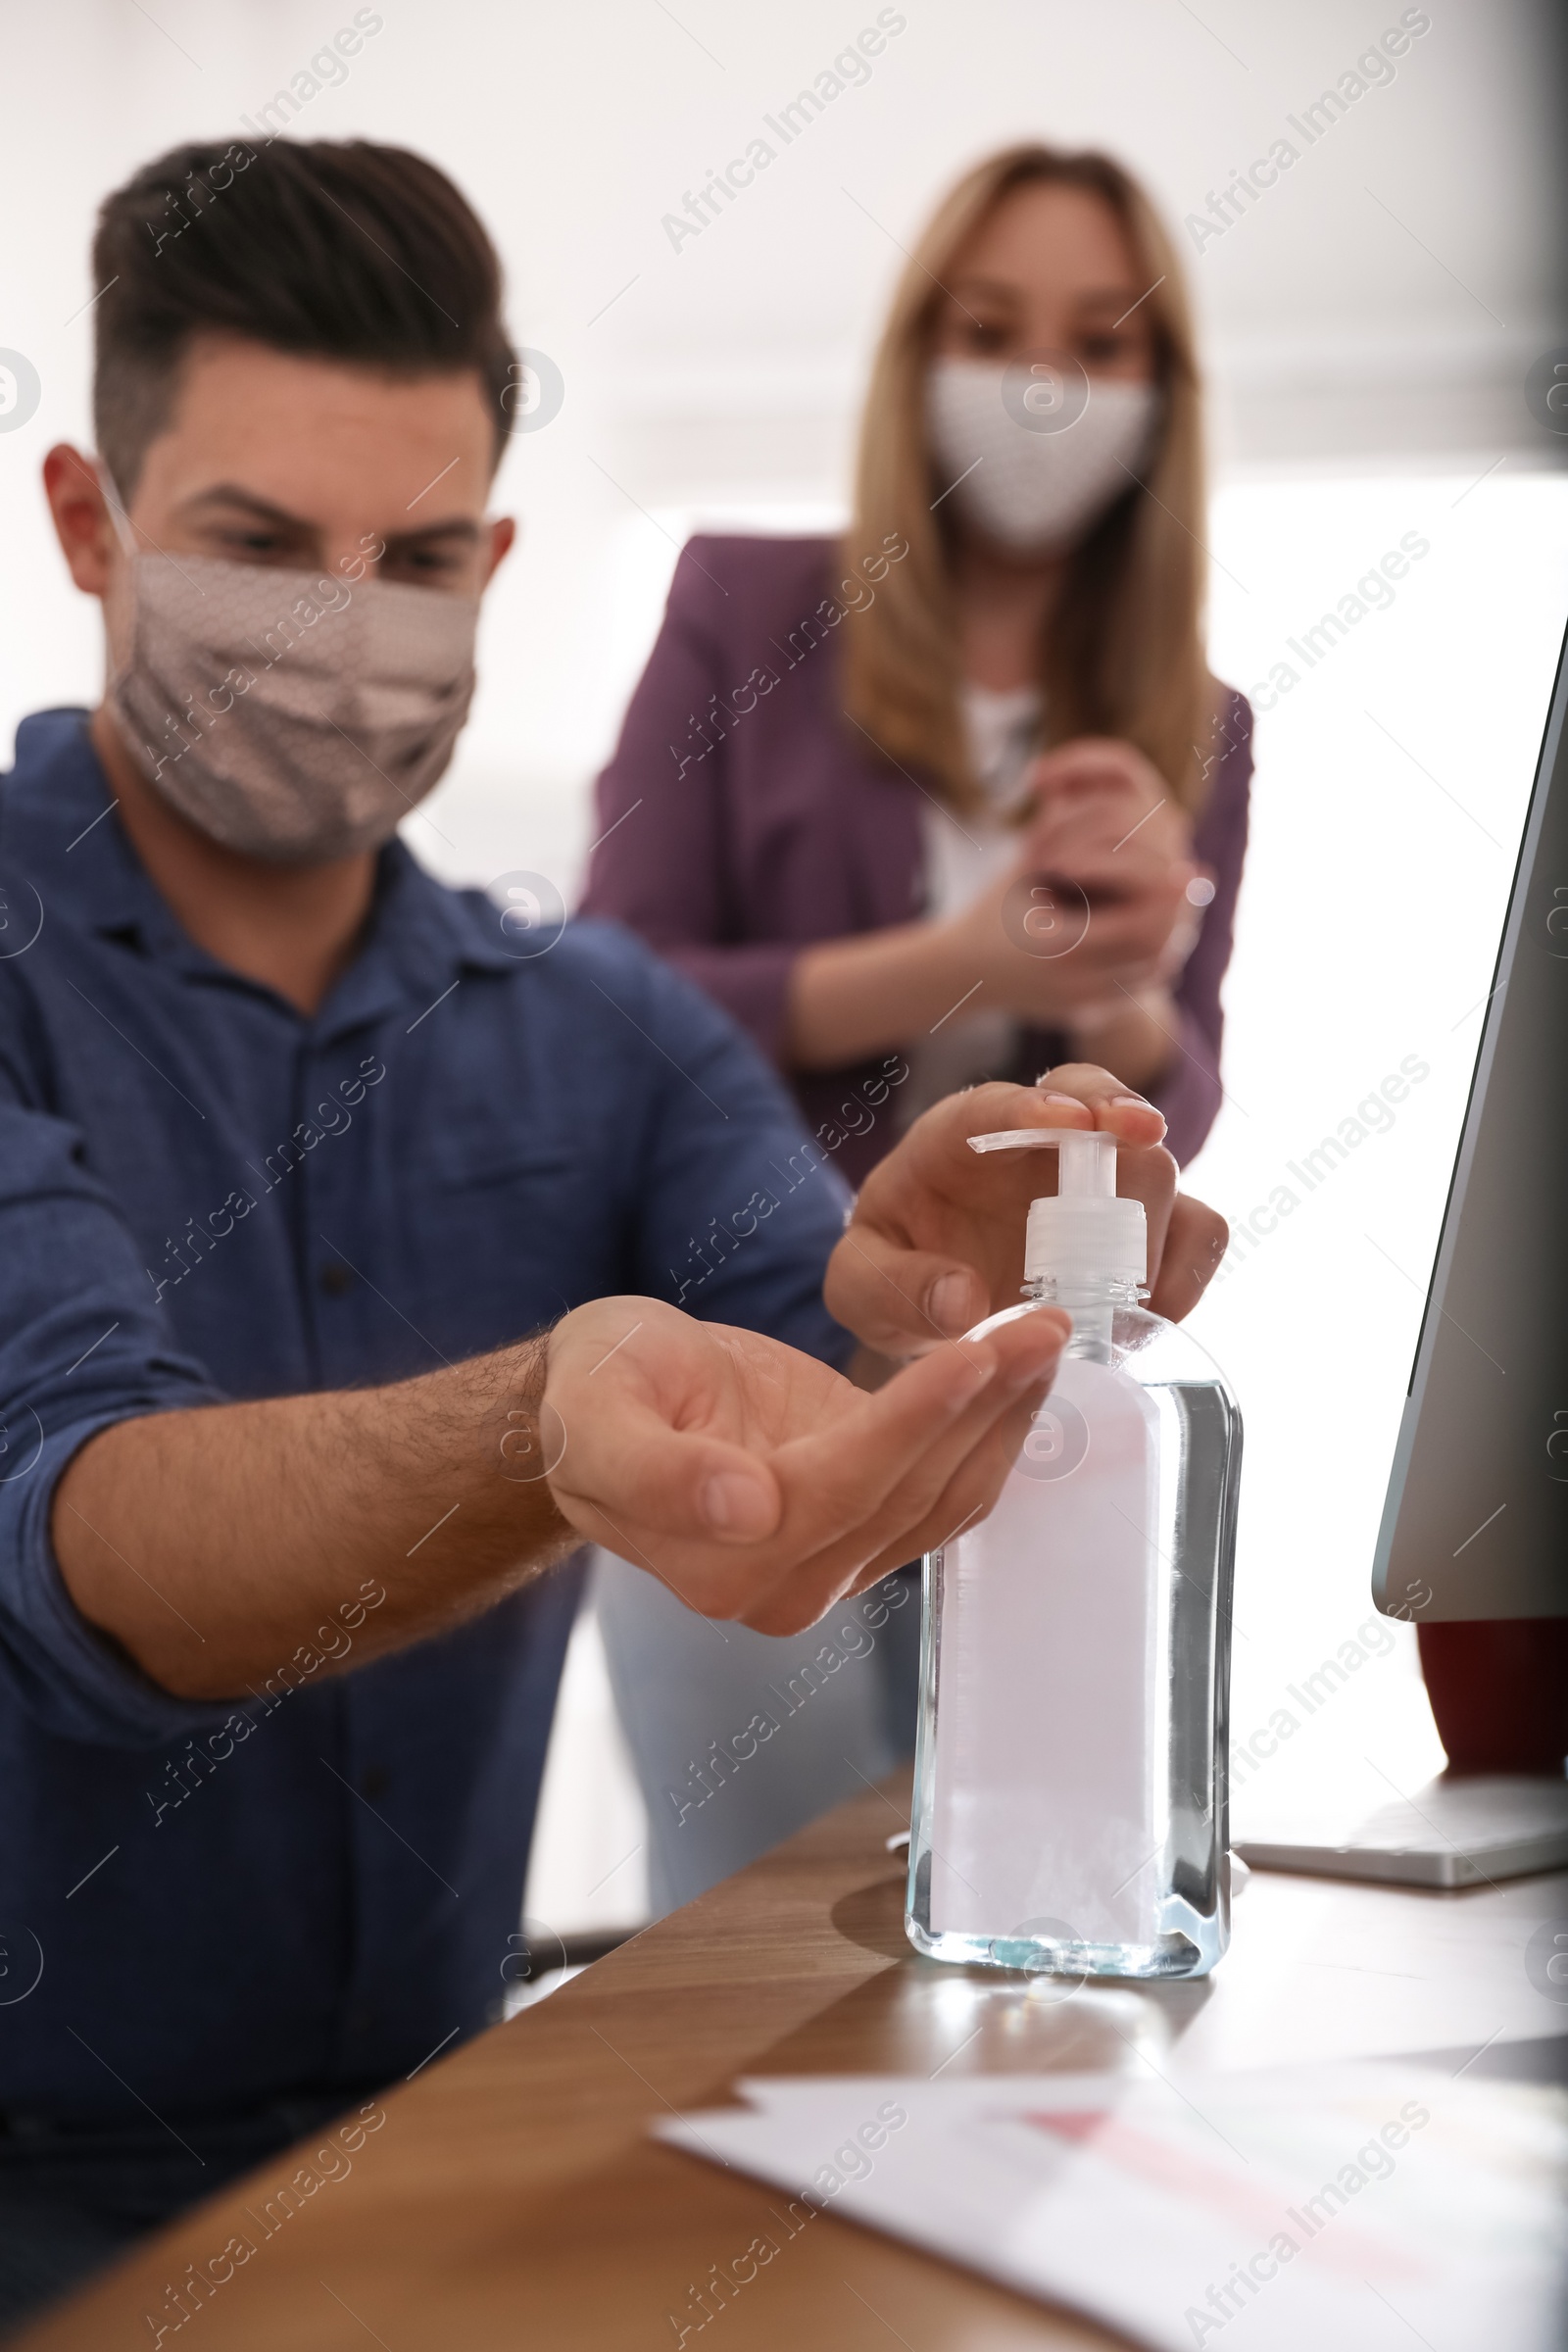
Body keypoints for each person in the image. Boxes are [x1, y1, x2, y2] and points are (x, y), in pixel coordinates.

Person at [0, 135, 1226, 2332]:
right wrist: (536, 1429)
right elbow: (91, 1540)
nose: (342, 628)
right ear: (90, 523)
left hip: (443, 2161)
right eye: (257, 547)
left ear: (493, 555)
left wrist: (938, 1302)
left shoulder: (597, 1020)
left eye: (413, 556)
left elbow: (821, 1318)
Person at [581, 141, 1252, 1908]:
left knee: (1015, 1895)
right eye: (991, 326)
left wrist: (1112, 999)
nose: (1047, 382)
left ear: (1163, 396)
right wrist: (966, 958)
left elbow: (1187, 1082)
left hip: (1022, 1408)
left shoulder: (1204, 723)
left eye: (1101, 342)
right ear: (913, 352)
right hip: (746, 1364)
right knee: (752, 1930)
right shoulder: (744, 608)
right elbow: (619, 984)